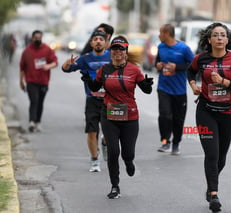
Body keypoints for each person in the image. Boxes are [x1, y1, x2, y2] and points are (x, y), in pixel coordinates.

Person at [83, 35, 153, 199]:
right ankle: (115, 186)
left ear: (126, 52)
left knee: (127, 153)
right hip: (109, 116)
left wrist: (147, 84)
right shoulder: (104, 70)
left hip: (130, 117)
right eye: (114, 49)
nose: (117, 52)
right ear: (111, 51)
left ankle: (129, 162)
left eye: (121, 49)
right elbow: (95, 86)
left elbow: (146, 90)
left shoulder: (134, 70)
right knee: (113, 152)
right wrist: (87, 79)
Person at [187, 22, 231, 212]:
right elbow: (190, 71)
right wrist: (193, 85)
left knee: (221, 157)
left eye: (223, 35)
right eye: (215, 35)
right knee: (211, 154)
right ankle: (214, 194)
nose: (219, 38)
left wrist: (222, 81)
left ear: (228, 40)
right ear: (209, 39)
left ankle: (210, 184)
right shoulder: (201, 59)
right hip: (206, 111)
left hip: (229, 113)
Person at [61, 30, 111, 172]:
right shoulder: (85, 59)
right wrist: (67, 63)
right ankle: (94, 160)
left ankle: (105, 143)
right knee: (91, 131)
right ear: (91, 43)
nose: (98, 41)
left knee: (109, 132)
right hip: (92, 100)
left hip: (109, 100)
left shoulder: (112, 57)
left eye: (101, 39)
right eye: (95, 39)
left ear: (105, 43)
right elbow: (66, 69)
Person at [155, 23, 194, 154]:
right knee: (164, 115)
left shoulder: (183, 48)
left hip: (179, 90)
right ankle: (165, 141)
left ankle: (176, 143)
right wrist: (158, 65)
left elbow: (193, 65)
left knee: (178, 118)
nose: (159, 35)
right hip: (163, 87)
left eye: (160, 33)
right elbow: (157, 61)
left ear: (167, 34)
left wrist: (177, 67)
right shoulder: (160, 47)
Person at [19, 30, 58, 132]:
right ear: (32, 38)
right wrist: (21, 81)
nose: (37, 39)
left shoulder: (47, 49)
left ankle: (38, 122)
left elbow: (55, 62)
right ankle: (31, 121)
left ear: (42, 38)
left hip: (43, 81)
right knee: (34, 101)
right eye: (35, 38)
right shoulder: (27, 51)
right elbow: (22, 67)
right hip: (31, 81)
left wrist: (48, 66)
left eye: (39, 38)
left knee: (40, 102)